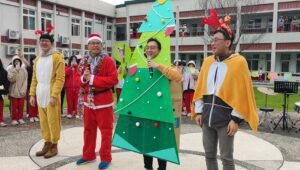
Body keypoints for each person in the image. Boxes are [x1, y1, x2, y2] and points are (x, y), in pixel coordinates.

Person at [192, 9, 259, 170]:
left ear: (228, 42)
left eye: (216, 40)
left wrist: (235, 119)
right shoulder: (208, 62)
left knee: (227, 158)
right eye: (212, 40)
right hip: (207, 116)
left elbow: (242, 93)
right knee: (209, 155)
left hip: (226, 119)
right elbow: (201, 89)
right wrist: (199, 112)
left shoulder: (239, 62)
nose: (212, 43)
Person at [75, 34, 118, 169]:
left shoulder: (108, 61)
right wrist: (83, 79)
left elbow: (113, 80)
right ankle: (88, 155)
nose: (95, 45)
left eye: (97, 43)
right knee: (88, 130)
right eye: (92, 43)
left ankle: (105, 157)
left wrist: (92, 79)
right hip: (88, 101)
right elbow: (77, 79)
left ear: (102, 45)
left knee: (106, 130)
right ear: (88, 46)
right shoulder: (83, 61)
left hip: (104, 101)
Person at [143, 38, 182, 170]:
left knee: (161, 141)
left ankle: (162, 167)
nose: (150, 49)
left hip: (162, 110)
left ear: (159, 50)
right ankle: (148, 167)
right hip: (146, 109)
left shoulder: (166, 64)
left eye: (153, 47)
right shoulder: (142, 65)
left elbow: (177, 76)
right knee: (147, 141)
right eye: (148, 47)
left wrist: (157, 66)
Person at [29, 26, 65, 159]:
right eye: (42, 40)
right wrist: (32, 94)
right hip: (40, 92)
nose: (44, 43)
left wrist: (54, 95)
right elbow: (34, 77)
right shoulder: (38, 59)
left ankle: (54, 144)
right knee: (43, 121)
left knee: (53, 120)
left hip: (51, 93)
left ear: (52, 43)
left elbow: (60, 78)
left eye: (46, 41)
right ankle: (47, 142)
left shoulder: (57, 57)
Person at [7, 55, 28, 126]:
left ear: (20, 62)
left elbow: (25, 81)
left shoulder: (24, 70)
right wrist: (15, 70)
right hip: (14, 91)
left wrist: (23, 89)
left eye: (18, 61)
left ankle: (20, 118)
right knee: (14, 106)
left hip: (21, 91)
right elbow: (11, 79)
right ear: (13, 62)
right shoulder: (11, 70)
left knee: (21, 106)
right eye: (15, 62)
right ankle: (14, 119)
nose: (17, 63)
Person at [27, 56, 39, 123]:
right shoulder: (29, 68)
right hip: (31, 87)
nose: (34, 61)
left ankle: (35, 115)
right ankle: (31, 115)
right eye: (34, 59)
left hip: (38, 87)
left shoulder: (39, 68)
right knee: (31, 101)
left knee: (37, 102)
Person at [0, 58, 10, 127]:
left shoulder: (4, 72)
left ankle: (0, 120)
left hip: (1, 92)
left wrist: (5, 91)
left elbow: (6, 83)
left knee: (0, 107)